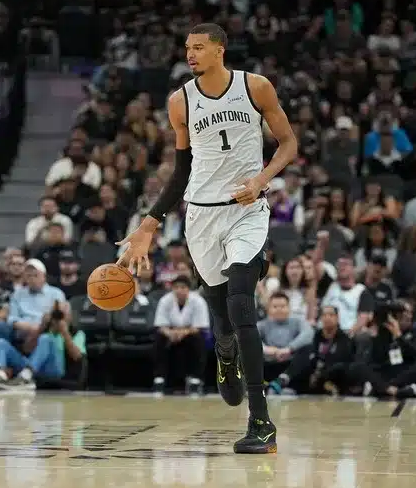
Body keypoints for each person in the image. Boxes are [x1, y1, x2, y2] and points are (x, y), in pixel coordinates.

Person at [116, 23, 298, 454]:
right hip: (200, 216)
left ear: (220, 49)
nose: (190, 54)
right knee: (222, 317)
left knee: (240, 304)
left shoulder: (256, 87)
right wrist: (149, 223)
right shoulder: (180, 101)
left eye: (198, 47)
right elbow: (181, 171)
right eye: (187, 48)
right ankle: (225, 351)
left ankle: (261, 423)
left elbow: (288, 144)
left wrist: (262, 179)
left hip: (247, 210)